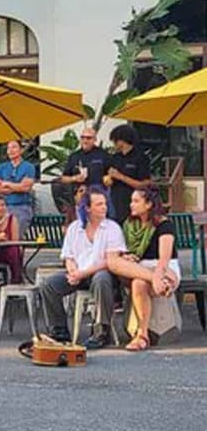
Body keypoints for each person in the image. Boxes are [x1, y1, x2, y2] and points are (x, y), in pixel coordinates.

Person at [39, 186, 124, 348]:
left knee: (101, 279)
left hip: (101, 272)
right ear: (88, 208)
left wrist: (82, 273)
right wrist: (72, 271)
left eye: (105, 204)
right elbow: (68, 256)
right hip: (78, 272)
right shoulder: (75, 228)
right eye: (99, 204)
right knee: (48, 285)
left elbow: (110, 260)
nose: (104, 207)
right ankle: (59, 330)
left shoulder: (112, 228)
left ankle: (101, 330)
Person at [107, 187, 180, 352]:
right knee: (113, 262)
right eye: (131, 201)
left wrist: (158, 274)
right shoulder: (129, 224)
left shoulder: (164, 225)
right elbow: (121, 252)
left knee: (139, 283)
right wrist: (127, 256)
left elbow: (164, 259)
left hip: (162, 267)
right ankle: (155, 280)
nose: (131, 205)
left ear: (149, 204)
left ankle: (142, 335)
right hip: (139, 268)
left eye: (136, 201)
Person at [104, 124, 152, 223]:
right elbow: (109, 179)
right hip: (115, 204)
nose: (113, 144)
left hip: (133, 204)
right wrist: (108, 180)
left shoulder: (141, 158)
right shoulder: (115, 158)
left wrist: (121, 177)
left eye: (115, 141)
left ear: (122, 140)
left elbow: (145, 184)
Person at [0, 139, 36, 234]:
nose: (10, 151)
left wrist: (7, 184)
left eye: (14, 147)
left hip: (22, 207)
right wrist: (18, 186)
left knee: (15, 236)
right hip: (3, 207)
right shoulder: (1, 167)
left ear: (21, 150)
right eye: (8, 148)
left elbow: (25, 188)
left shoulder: (29, 167)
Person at [59, 126, 110, 203]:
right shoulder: (74, 156)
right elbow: (63, 178)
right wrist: (74, 178)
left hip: (99, 198)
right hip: (80, 196)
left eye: (88, 138)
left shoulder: (103, 155)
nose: (85, 140)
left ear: (95, 139)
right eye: (82, 137)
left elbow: (112, 174)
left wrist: (108, 180)